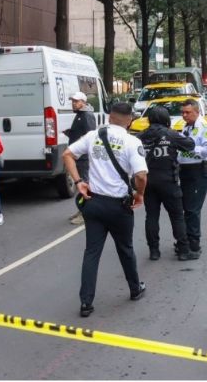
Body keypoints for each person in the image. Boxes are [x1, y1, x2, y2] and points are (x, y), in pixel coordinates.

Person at [62, 102, 148, 318]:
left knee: (91, 253)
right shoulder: (132, 141)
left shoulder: (93, 136)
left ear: (109, 117)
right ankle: (135, 289)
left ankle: (86, 303)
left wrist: (79, 181)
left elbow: (67, 155)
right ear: (130, 120)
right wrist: (140, 194)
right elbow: (140, 176)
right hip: (119, 206)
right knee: (125, 249)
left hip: (94, 203)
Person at [136, 106, 199, 261]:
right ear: (166, 119)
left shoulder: (140, 137)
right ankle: (184, 250)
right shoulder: (171, 135)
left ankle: (154, 251)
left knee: (151, 216)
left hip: (147, 182)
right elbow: (190, 145)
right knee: (177, 216)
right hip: (168, 181)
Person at [178, 98, 207, 254]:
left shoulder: (204, 127)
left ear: (196, 111)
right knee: (186, 208)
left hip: (197, 172)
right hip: (184, 171)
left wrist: (189, 149)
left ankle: (194, 243)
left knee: (193, 209)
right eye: (183, 113)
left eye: (188, 112)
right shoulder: (186, 127)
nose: (184, 115)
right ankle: (186, 239)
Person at [64, 92, 97, 225]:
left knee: (84, 183)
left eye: (76, 101)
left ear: (83, 102)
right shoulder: (80, 114)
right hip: (78, 155)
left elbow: (89, 136)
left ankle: (86, 213)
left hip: (82, 156)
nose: (74, 103)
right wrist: (70, 133)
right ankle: (82, 209)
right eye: (72, 101)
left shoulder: (86, 115)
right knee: (81, 184)